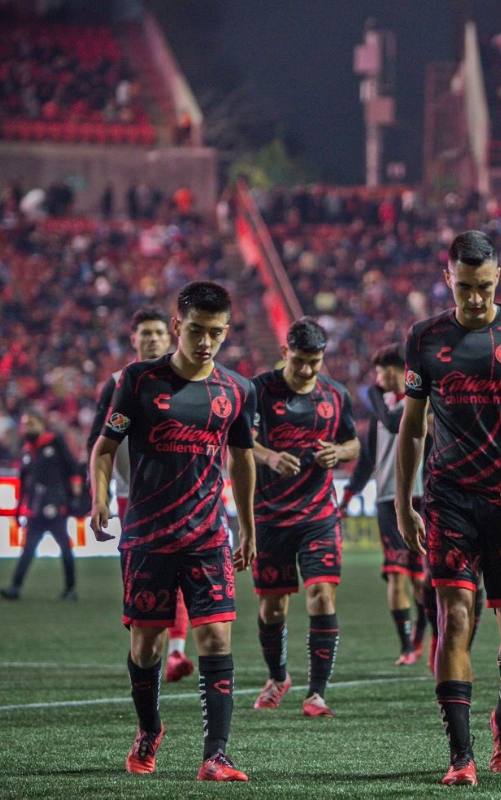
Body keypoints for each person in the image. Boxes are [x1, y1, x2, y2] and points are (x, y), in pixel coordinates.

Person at [396, 230, 501, 786]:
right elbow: (413, 430)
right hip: (449, 499)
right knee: (455, 618)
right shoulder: (424, 338)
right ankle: (461, 754)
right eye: (464, 287)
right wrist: (404, 501)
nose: (474, 298)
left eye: (484, 287)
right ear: (448, 279)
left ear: (499, 278)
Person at [90, 281, 257, 781]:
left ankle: (217, 755)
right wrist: (100, 497)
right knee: (147, 648)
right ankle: (148, 728)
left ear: (226, 332)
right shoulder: (138, 381)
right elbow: (103, 448)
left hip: (208, 536)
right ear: (178, 325)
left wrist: (246, 526)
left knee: (217, 639)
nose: (206, 342)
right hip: (147, 536)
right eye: (198, 331)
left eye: (216, 333)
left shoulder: (237, 390)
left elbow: (243, 460)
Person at [250, 318, 359, 717]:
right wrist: (270, 456)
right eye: (299, 361)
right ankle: (278, 677)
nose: (308, 370)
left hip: (319, 515)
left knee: (321, 596)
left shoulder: (336, 394)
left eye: (315, 361)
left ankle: (317, 694)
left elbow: (352, 442)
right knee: (272, 608)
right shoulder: (258, 391)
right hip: (269, 516)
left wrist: (339, 453)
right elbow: (239, 445)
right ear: (284, 353)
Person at [86, 308, 194, 683]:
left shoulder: (188, 379)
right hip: (131, 498)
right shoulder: (119, 382)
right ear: (133, 339)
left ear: (171, 336)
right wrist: (99, 496)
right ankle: (148, 649)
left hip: (179, 497)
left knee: (180, 571)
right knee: (139, 580)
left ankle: (177, 651)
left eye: (158, 332)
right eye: (144, 333)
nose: (151, 339)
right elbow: (99, 445)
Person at [341, 344, 428, 666]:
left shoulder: (422, 403)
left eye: (381, 371)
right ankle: (406, 645)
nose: (377, 378)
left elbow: (396, 423)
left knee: (421, 578)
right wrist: (350, 494)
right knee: (395, 573)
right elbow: (367, 459)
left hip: (420, 498)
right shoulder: (382, 409)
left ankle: (419, 634)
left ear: (396, 371)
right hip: (385, 500)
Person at [0, 411, 81, 600]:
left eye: (31, 424)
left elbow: (73, 468)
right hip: (35, 506)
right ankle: (15, 587)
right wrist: (18, 508)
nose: (28, 428)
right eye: (25, 425)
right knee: (28, 548)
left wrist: (74, 498)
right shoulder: (27, 449)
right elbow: (23, 481)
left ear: (41, 424)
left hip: (55, 504)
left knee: (64, 546)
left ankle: (70, 589)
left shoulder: (55, 442)